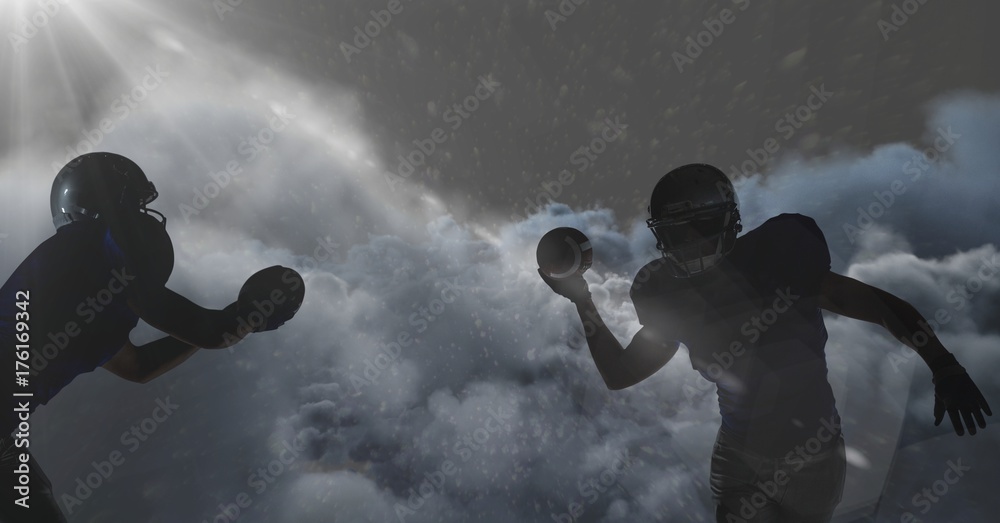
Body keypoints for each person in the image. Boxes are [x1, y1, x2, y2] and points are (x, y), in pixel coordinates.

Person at [538, 163, 991, 522]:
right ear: (662, 235)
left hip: (812, 457)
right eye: (679, 233)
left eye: (701, 227)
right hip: (742, 455)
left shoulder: (776, 259)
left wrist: (944, 363)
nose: (692, 244)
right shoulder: (673, 295)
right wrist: (583, 299)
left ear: (731, 221)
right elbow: (620, 375)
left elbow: (876, 306)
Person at [0, 152, 301, 522]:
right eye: (134, 204)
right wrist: (245, 318)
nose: (144, 219)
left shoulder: (79, 286)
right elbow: (206, 332)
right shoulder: (94, 247)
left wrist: (229, 320)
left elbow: (137, 365)